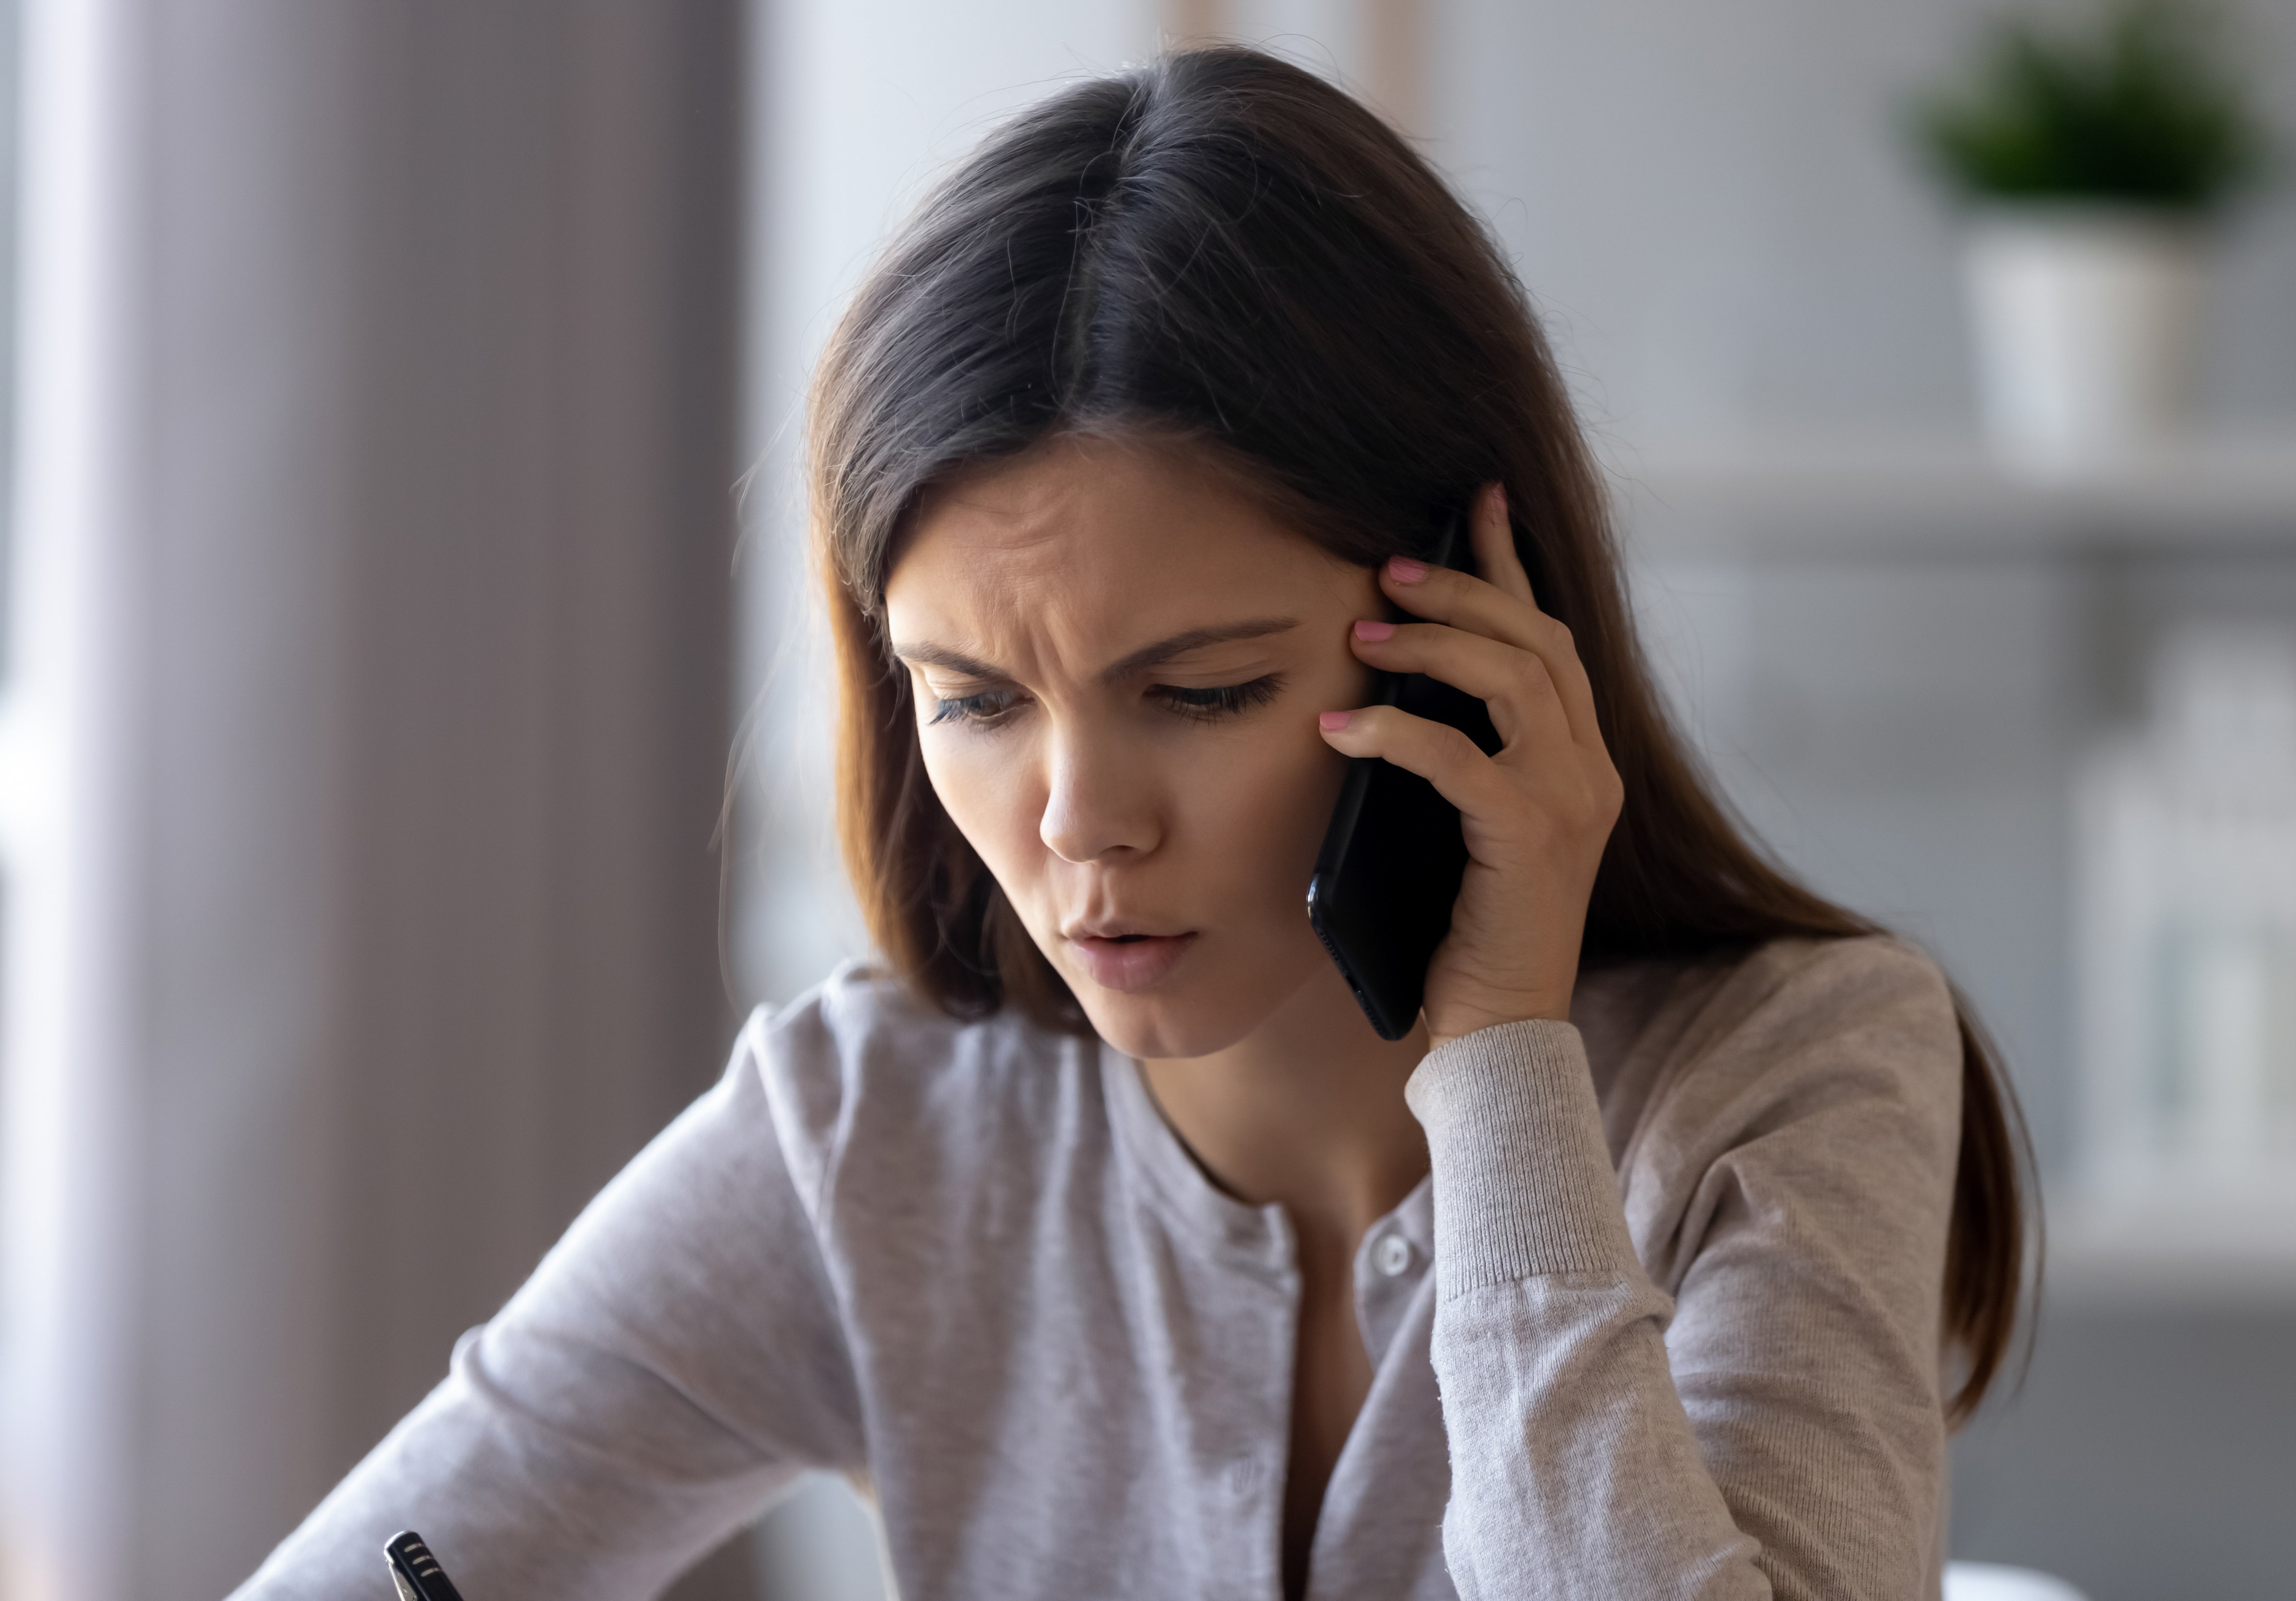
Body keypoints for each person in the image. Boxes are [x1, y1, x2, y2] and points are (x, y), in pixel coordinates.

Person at [233, 44, 2030, 1601]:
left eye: (1199, 692)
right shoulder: (872, 1134)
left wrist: (1499, 1065)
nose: (1077, 824)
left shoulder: (1802, 1065)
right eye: (975, 702)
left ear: (1475, 641)